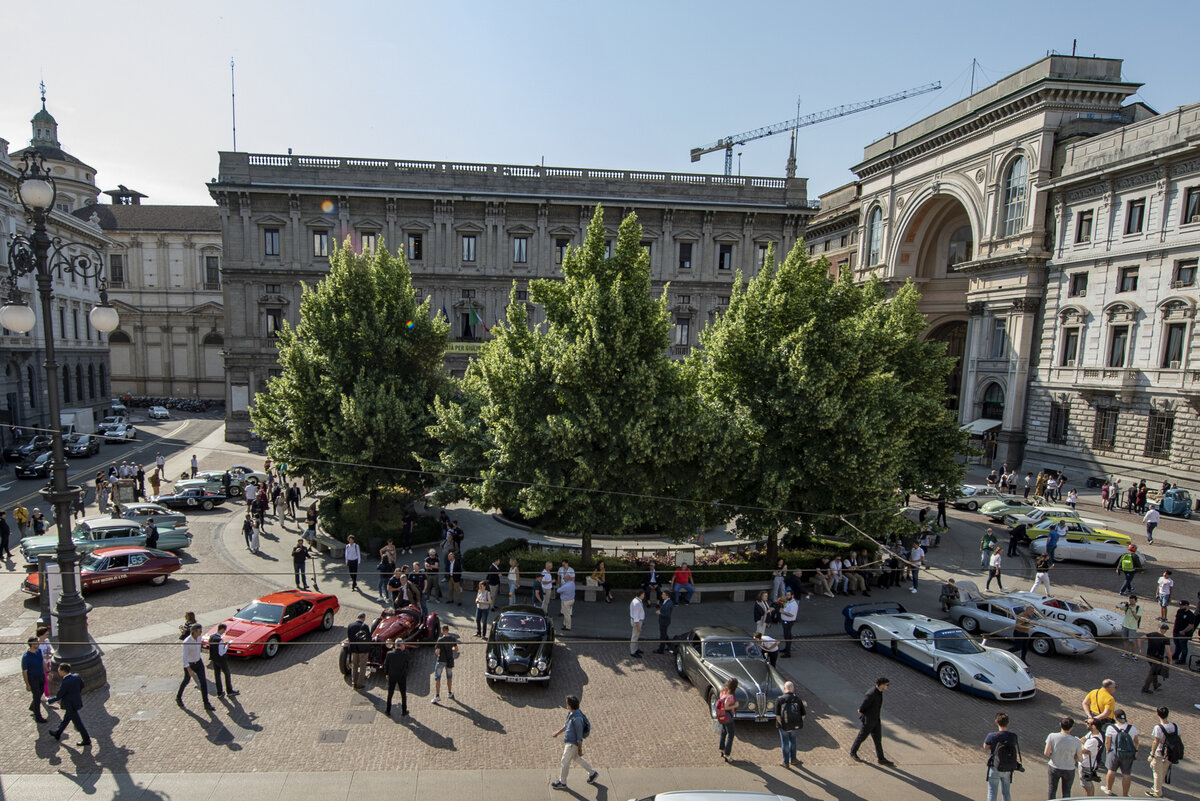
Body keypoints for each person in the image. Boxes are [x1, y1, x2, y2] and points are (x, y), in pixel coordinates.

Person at [550, 695, 598, 789]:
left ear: (571, 705)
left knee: (564, 761)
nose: (566, 705)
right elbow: (567, 725)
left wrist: (580, 749)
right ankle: (593, 773)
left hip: (572, 744)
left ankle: (562, 782)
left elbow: (579, 737)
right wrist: (558, 732)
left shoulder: (577, 719)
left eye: (567, 703)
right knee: (576, 758)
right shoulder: (572, 714)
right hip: (571, 742)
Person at [850, 677, 893, 765]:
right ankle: (853, 752)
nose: (888, 686)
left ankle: (881, 758)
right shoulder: (871, 694)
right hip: (868, 721)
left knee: (878, 740)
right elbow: (863, 707)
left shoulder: (879, 692)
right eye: (887, 685)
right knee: (861, 737)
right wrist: (861, 711)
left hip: (876, 720)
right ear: (881, 685)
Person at [47, 663, 90, 747]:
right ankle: (57, 733)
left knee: (78, 723)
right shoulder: (76, 677)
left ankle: (86, 739)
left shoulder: (65, 682)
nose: (58, 671)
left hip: (70, 705)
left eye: (59, 669)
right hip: (75, 702)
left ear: (63, 671)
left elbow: (59, 696)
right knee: (66, 719)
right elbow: (82, 685)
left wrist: (49, 700)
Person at [177, 623, 215, 711]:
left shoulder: (199, 637)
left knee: (203, 682)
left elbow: (204, 642)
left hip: (198, 662)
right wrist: (189, 669)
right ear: (195, 632)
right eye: (200, 631)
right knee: (186, 681)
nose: (201, 632)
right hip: (190, 664)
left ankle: (206, 703)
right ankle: (178, 697)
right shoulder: (187, 642)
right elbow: (184, 657)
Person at [984, 712, 1021, 801]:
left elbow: (985, 746)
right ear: (1008, 723)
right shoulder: (1013, 736)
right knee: (1006, 792)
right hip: (1008, 767)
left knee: (992, 792)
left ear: (996, 722)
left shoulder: (992, 735)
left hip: (995, 766)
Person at [1103, 709, 1139, 797]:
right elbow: (1136, 742)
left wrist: (1108, 751)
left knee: (1111, 771)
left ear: (1115, 717)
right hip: (1128, 754)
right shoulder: (1132, 728)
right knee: (1126, 774)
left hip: (1114, 752)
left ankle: (1108, 789)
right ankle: (1125, 794)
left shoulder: (1111, 728)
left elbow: (1107, 742)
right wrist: (1136, 751)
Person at [1044, 717, 1081, 799]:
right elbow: (1080, 758)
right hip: (1069, 768)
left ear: (1060, 724)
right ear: (1071, 728)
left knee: (1052, 789)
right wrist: (1074, 759)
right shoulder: (1076, 741)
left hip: (1054, 766)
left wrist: (1054, 755)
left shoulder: (1052, 736)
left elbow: (1046, 753)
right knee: (1067, 791)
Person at [1147, 706, 1178, 798]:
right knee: (1163, 770)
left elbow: (1155, 742)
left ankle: (1157, 792)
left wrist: (1151, 754)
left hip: (1160, 752)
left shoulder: (1158, 728)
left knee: (1156, 772)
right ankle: (1157, 787)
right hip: (1170, 753)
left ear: (1157, 714)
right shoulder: (1175, 726)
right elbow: (1178, 738)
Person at [774, 680, 806, 769]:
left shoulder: (780, 700)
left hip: (783, 726)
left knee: (785, 743)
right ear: (793, 689)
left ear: (784, 688)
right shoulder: (798, 700)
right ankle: (793, 759)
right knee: (793, 741)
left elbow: (777, 716)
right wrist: (796, 724)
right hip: (795, 726)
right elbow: (803, 715)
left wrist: (785, 726)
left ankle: (785, 762)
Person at [208, 623, 237, 698]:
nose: (224, 632)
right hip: (221, 660)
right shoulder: (219, 640)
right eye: (224, 630)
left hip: (214, 659)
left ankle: (219, 692)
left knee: (217, 676)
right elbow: (221, 652)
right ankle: (229, 691)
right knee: (227, 674)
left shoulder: (211, 637)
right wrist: (227, 646)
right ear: (222, 629)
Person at [431, 623, 458, 703]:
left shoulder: (440, 640)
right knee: (449, 677)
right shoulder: (453, 639)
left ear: (442, 631)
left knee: (437, 678)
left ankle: (437, 695)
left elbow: (437, 652)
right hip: (449, 660)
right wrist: (451, 649)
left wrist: (438, 651)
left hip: (441, 660)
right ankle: (449, 693)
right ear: (448, 630)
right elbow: (456, 649)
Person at [1078, 718, 1105, 796]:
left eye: (1088, 723)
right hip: (1088, 763)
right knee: (1089, 784)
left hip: (1086, 765)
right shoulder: (1092, 734)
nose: (1086, 724)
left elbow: (1083, 750)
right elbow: (1083, 739)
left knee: (1086, 786)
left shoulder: (1093, 740)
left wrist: (1081, 743)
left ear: (1094, 726)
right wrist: (1082, 742)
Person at [1142, 623, 1173, 694]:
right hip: (1157, 658)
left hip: (1149, 656)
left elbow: (1141, 638)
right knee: (1152, 673)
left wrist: (1141, 649)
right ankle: (1145, 689)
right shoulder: (1165, 639)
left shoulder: (1151, 634)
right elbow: (1168, 652)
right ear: (1165, 630)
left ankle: (1155, 685)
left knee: (1155, 671)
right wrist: (1170, 660)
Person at [384, 639, 411, 717]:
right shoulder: (405, 654)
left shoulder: (389, 654)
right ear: (402, 645)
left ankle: (388, 710)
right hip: (401, 676)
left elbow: (386, 665)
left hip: (392, 676)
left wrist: (386, 674)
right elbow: (407, 665)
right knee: (403, 694)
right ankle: (404, 710)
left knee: (390, 693)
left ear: (395, 645)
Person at [22, 637, 46, 722]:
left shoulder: (39, 651)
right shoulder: (26, 657)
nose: (38, 644)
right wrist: (27, 684)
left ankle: (33, 707)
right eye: (36, 643)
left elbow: (42, 661)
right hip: (33, 679)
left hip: (41, 676)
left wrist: (47, 670)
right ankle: (38, 716)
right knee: (36, 697)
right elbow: (24, 671)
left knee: (41, 692)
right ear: (32, 644)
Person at [716, 677, 739, 761]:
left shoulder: (723, 692)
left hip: (721, 715)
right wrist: (735, 705)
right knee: (730, 734)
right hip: (727, 716)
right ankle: (727, 754)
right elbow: (726, 706)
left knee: (723, 732)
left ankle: (721, 749)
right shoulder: (730, 696)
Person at [346, 612, 370, 690]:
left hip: (354, 649)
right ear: (363, 618)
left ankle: (354, 683)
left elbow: (349, 638)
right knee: (362, 667)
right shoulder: (365, 626)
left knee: (354, 666)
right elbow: (369, 638)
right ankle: (360, 684)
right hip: (363, 650)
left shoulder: (350, 625)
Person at [1172, 600, 1195, 666]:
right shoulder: (1179, 611)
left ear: (1186, 606)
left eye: (1182, 605)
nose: (1180, 606)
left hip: (1183, 634)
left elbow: (1191, 625)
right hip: (1176, 631)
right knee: (1177, 645)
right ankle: (1176, 656)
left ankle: (1183, 660)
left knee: (1183, 647)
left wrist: (1184, 631)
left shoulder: (1190, 615)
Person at [1119, 595, 1143, 660]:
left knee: (1132, 641)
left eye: (1132, 601)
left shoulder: (1139, 608)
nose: (1131, 602)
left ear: (1136, 601)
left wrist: (1132, 610)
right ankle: (1126, 653)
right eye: (1130, 600)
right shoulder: (1127, 606)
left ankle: (1134, 655)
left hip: (1132, 627)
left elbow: (1137, 618)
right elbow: (1117, 606)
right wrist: (1122, 603)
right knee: (1125, 639)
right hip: (1125, 625)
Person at [779, 589, 798, 658]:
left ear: (792, 596)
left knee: (788, 636)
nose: (787, 596)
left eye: (788, 595)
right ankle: (786, 648)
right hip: (785, 621)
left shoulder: (793, 604)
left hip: (788, 622)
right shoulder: (789, 602)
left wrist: (783, 612)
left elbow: (791, 615)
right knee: (786, 635)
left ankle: (788, 652)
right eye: (786, 595)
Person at [558, 560, 576, 630]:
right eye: (562, 565)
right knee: (566, 612)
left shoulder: (571, 570)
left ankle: (568, 626)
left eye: (564, 565)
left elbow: (558, 591)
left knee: (567, 614)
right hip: (570, 597)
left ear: (567, 563)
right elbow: (559, 576)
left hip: (566, 599)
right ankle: (565, 624)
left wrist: (561, 587)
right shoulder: (572, 584)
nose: (563, 566)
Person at [629, 588, 645, 657]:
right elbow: (636, 616)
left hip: (638, 621)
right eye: (643, 594)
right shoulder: (637, 603)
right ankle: (633, 651)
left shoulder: (636, 601)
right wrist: (638, 626)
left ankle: (635, 648)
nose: (644, 595)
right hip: (637, 622)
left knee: (636, 636)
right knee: (635, 636)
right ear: (641, 595)